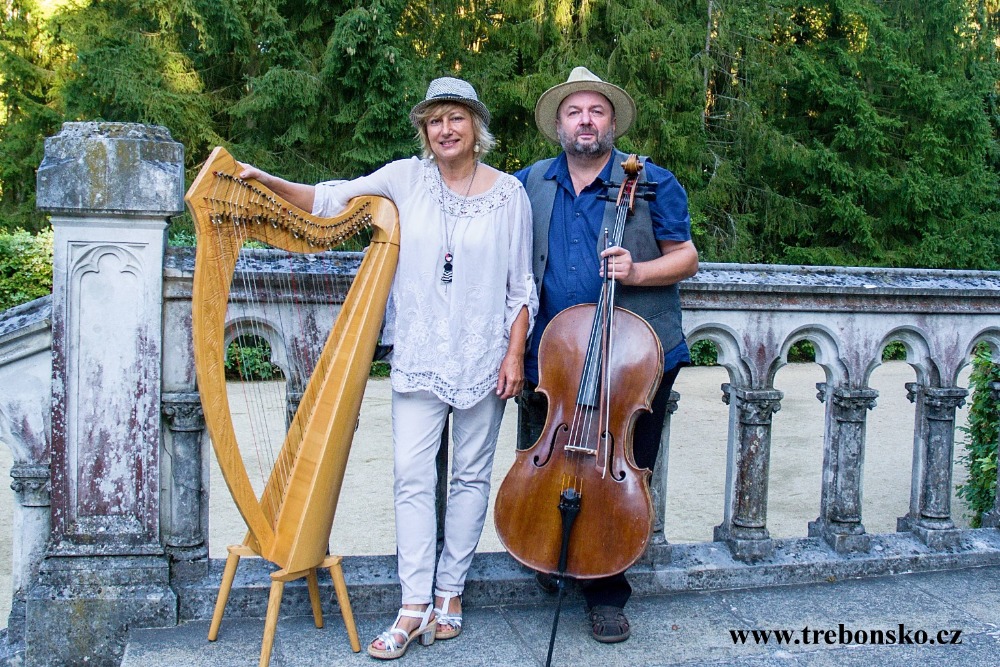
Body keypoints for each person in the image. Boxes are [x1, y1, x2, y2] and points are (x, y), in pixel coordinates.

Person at [239, 77, 537, 660]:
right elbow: (329, 200)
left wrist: (514, 352)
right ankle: (412, 603)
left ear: (477, 127)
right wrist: (267, 182)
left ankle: (450, 593)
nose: (445, 129)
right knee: (410, 478)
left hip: (483, 356)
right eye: (434, 121)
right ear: (425, 132)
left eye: (456, 118)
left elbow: (520, 286)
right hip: (420, 354)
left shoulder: (510, 196)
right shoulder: (405, 178)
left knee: (471, 477)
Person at [513, 66, 698, 644]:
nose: (585, 121)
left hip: (633, 360)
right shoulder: (530, 182)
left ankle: (608, 588)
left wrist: (638, 270)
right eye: (575, 112)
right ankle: (552, 557)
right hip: (554, 359)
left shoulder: (649, 181)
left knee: (622, 470)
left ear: (612, 122)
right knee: (547, 461)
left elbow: (686, 256)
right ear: (559, 125)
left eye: (596, 111)